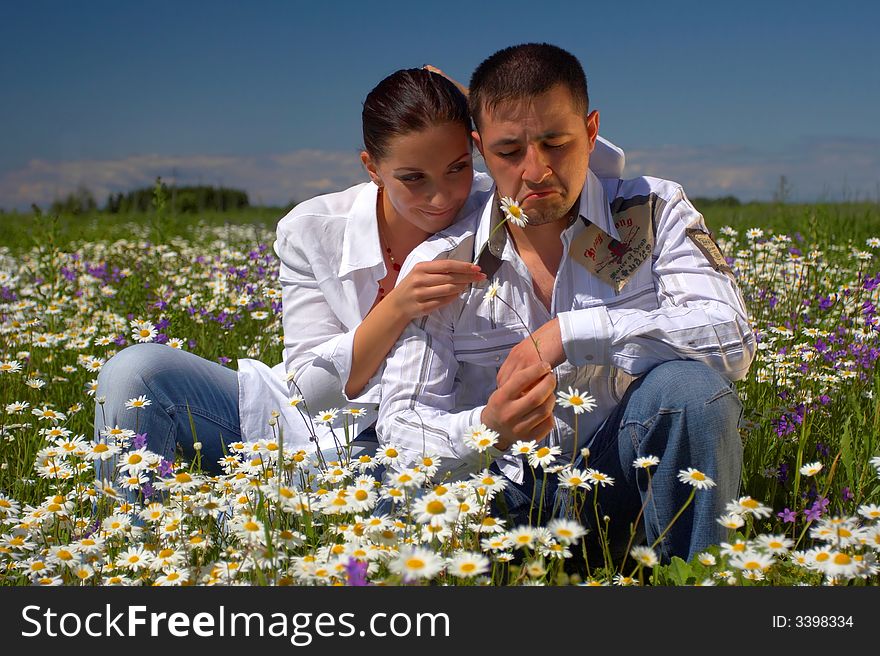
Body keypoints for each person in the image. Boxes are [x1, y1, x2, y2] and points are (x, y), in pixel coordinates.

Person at [93, 67, 626, 481]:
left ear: (476, 151)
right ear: (371, 167)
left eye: (458, 168)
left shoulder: (495, 206)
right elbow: (307, 392)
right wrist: (395, 309)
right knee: (134, 372)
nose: (441, 197)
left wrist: (497, 109)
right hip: (289, 427)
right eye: (412, 178)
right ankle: (130, 545)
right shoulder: (313, 230)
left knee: (385, 495)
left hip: (422, 449)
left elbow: (591, 173)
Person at [376, 44, 756, 563]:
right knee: (405, 495)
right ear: (480, 148)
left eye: (556, 143)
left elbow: (732, 337)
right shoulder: (445, 257)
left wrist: (573, 335)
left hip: (620, 476)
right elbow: (400, 422)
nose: (536, 172)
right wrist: (489, 425)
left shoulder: (650, 209)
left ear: (592, 130)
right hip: (501, 491)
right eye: (509, 152)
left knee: (690, 389)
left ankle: (694, 583)